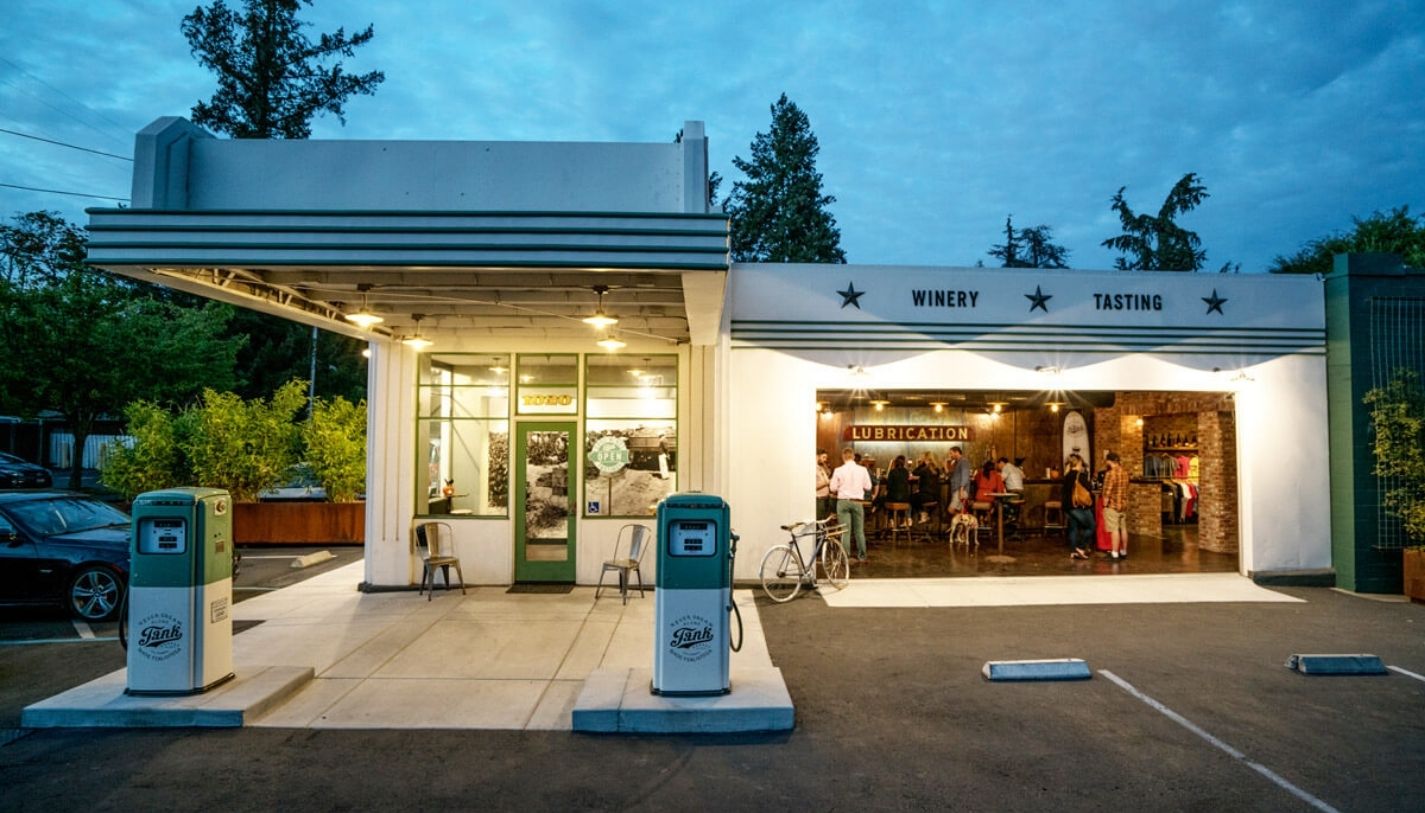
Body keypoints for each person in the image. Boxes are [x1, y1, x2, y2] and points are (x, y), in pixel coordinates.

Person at [830, 447, 872, 561]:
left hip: (843, 502)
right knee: (859, 530)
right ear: (853, 456)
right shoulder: (863, 470)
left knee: (845, 531)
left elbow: (832, 488)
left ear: (843, 457)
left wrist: (841, 487)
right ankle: (862, 556)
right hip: (857, 502)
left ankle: (845, 557)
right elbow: (868, 486)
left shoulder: (838, 470)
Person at [1062, 453, 1096, 559]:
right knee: (1091, 526)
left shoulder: (1067, 475)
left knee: (1073, 529)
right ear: (1079, 463)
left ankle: (1073, 551)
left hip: (1068, 507)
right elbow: (1089, 488)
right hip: (1079, 506)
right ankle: (1080, 547)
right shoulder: (1080, 475)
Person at [1101, 450, 1130, 559]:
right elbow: (1126, 489)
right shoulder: (1125, 472)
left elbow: (1107, 492)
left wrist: (1104, 505)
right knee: (1123, 528)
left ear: (1109, 461)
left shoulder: (1110, 474)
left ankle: (1114, 553)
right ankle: (1123, 551)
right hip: (1123, 504)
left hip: (1112, 505)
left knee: (1114, 529)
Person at [885, 455, 912, 528]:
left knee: (884, 500)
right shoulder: (906, 472)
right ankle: (906, 519)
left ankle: (891, 520)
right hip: (905, 499)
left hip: (894, 499)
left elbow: (888, 486)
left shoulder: (892, 472)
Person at [946, 446, 971, 512]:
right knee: (960, 510)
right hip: (956, 490)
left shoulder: (963, 461)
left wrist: (961, 489)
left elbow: (965, 475)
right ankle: (962, 520)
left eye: (951, 453)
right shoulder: (956, 463)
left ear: (957, 452)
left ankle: (964, 519)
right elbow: (951, 475)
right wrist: (947, 466)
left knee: (951, 510)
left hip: (960, 490)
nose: (950, 455)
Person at [815, 449, 833, 520]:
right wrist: (828, 482)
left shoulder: (820, 468)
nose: (825, 460)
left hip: (826, 499)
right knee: (819, 521)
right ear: (817, 456)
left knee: (824, 522)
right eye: (823, 457)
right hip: (819, 499)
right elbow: (814, 486)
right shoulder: (812, 468)